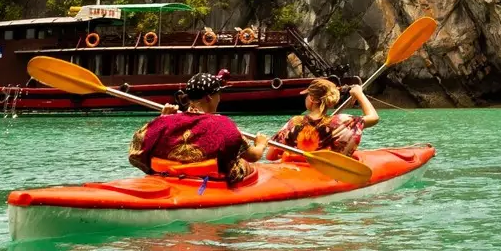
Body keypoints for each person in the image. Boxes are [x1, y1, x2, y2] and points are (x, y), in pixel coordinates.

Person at [127, 70, 259, 184]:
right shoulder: (224, 124)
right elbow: (253, 156)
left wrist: (162, 118)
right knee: (243, 164)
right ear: (208, 98)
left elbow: (135, 152)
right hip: (208, 182)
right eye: (218, 95)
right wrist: (261, 144)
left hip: (168, 175)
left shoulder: (164, 122)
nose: (219, 98)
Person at [267, 78, 379, 160]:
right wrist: (359, 93)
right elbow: (373, 117)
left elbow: (270, 156)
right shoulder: (341, 121)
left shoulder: (294, 122)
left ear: (312, 99)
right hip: (326, 173)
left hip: (297, 173)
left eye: (307, 95)